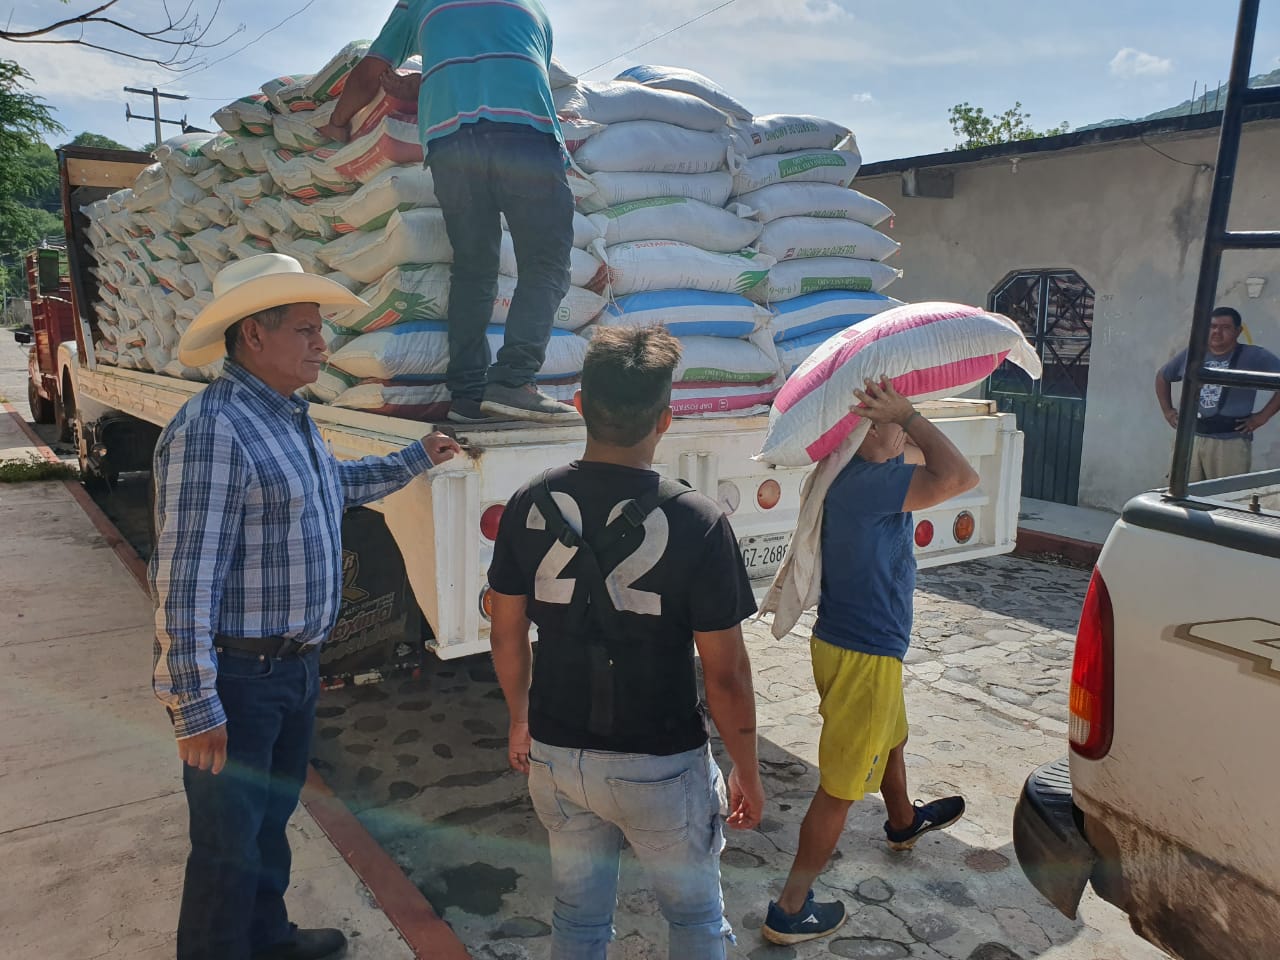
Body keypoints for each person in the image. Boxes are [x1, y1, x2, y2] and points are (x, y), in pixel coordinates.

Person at [152, 254, 461, 960]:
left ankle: (268, 940)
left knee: (266, 826)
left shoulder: (289, 416)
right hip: (235, 681)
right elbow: (183, 579)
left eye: (319, 329)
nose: (322, 343)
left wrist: (416, 458)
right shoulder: (215, 430)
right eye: (305, 330)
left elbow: (330, 490)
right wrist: (194, 705)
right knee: (227, 847)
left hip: (289, 673)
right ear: (252, 337)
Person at [486, 326, 765, 960]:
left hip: (556, 753)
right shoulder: (699, 520)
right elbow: (726, 675)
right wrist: (746, 770)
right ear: (666, 420)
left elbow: (506, 632)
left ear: (579, 404)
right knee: (695, 922)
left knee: (578, 925)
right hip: (661, 761)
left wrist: (520, 720)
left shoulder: (529, 502)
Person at [761, 379, 979, 946]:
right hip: (863, 656)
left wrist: (903, 418)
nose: (901, 432)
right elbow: (961, 476)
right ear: (861, 435)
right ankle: (790, 907)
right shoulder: (868, 485)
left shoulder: (854, 477)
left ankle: (903, 821)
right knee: (838, 787)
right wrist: (910, 414)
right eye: (889, 425)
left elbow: (926, 462)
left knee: (893, 735)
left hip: (851, 644)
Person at [320, 0, 577, 425]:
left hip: (452, 143)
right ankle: (512, 382)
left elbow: (371, 72)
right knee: (546, 262)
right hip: (525, 136)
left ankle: (466, 397)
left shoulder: (420, 3)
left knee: (474, 268)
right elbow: (508, 73)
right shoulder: (533, 9)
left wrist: (337, 122)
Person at [1156, 306, 1280, 482]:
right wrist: (1168, 411)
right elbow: (1163, 376)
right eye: (1212, 326)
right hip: (1190, 438)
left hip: (1229, 442)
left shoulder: (1254, 356)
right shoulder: (1193, 355)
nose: (1217, 332)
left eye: (1225, 327)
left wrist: (1262, 417)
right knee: (1182, 498)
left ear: (1238, 331)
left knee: (1225, 498)